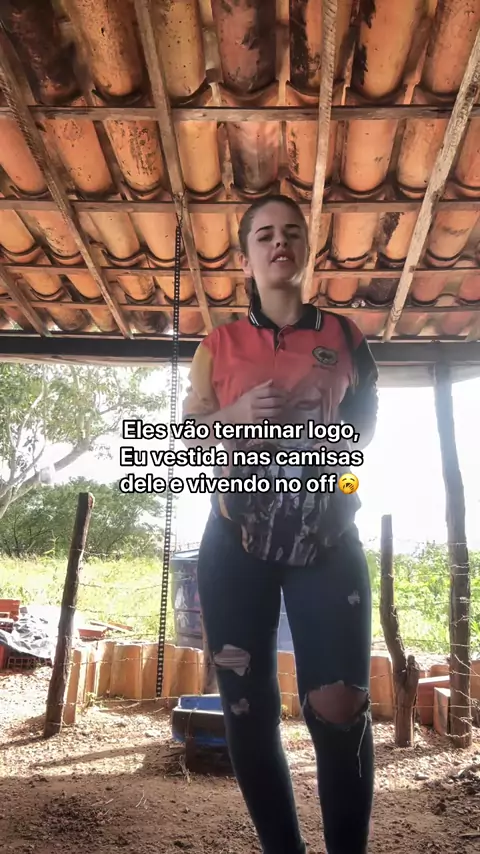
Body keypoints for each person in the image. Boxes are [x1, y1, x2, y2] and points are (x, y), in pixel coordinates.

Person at [181, 193, 378, 854]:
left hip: (328, 536)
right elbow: (190, 436)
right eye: (263, 235)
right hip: (234, 539)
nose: (278, 243)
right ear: (246, 258)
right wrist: (234, 417)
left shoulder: (345, 338)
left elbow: (365, 427)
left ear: (306, 250)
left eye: (291, 232)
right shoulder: (218, 344)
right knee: (246, 709)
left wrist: (322, 440)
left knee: (341, 707)